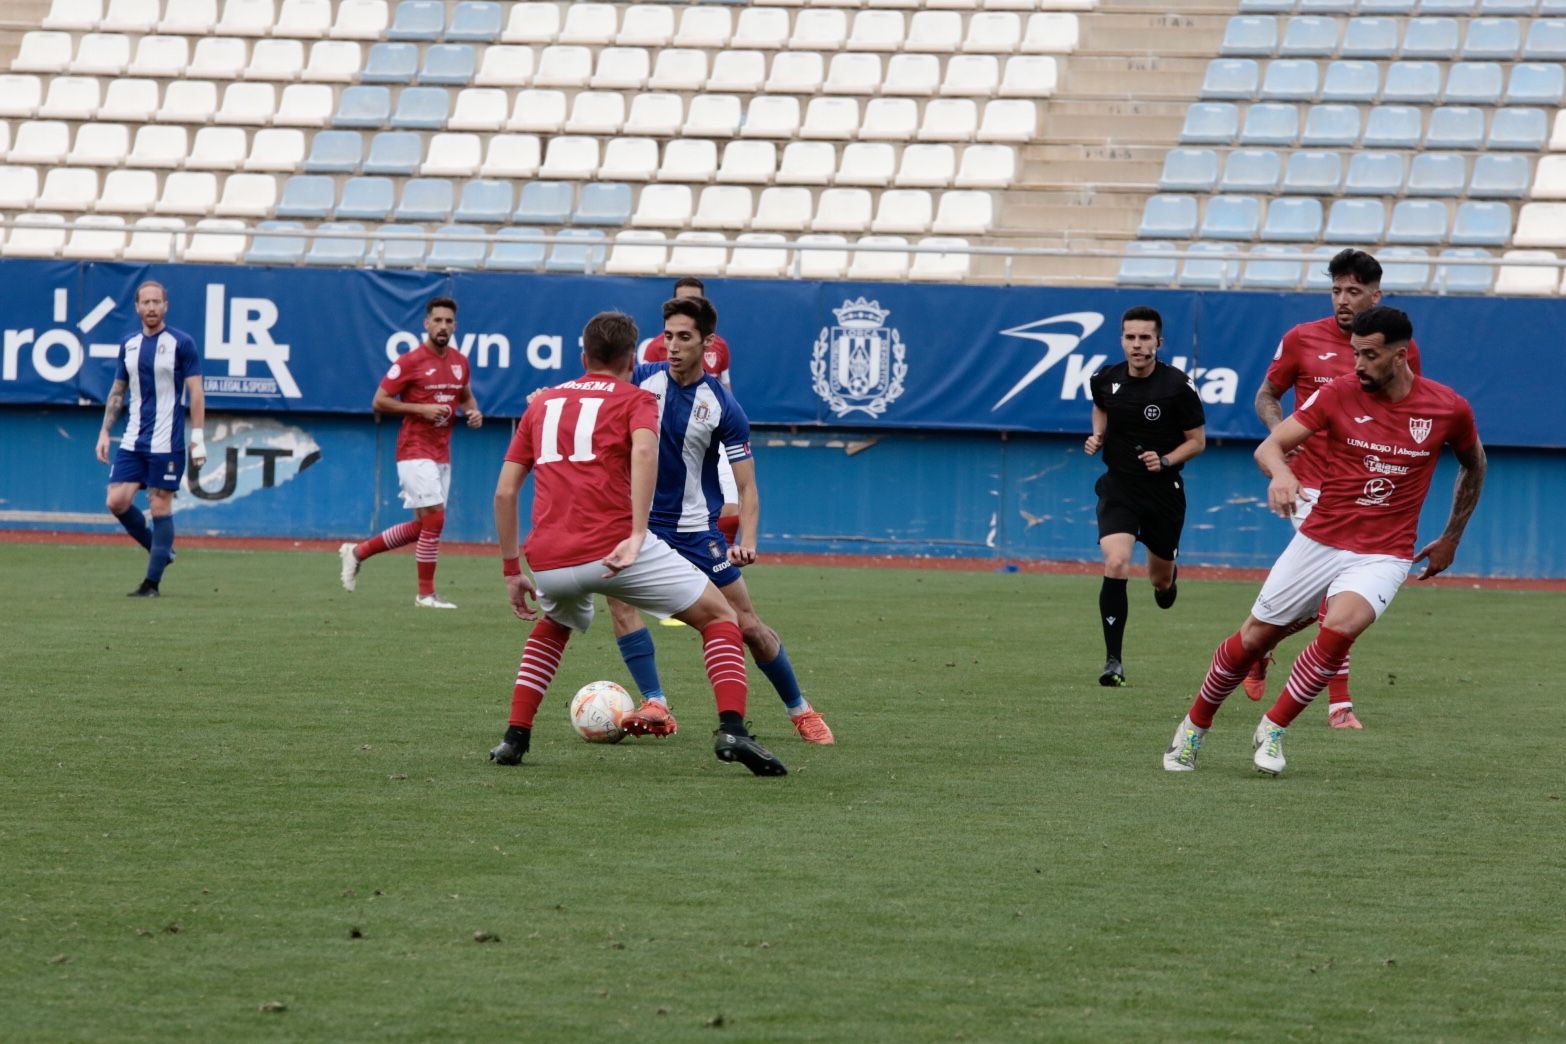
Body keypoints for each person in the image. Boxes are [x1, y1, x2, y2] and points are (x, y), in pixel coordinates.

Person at [1164, 306, 1484, 776]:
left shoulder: (1448, 408)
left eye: (1369, 355)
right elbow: (1270, 446)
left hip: (1385, 552)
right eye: (1355, 353)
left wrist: (1451, 537)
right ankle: (1193, 728)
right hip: (1321, 538)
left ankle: (1273, 728)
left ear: (1400, 355)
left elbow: (1474, 463)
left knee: (1340, 629)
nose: (1357, 364)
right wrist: (1281, 474)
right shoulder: (1338, 394)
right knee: (1255, 638)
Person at [488, 310, 787, 777]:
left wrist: (511, 571)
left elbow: (505, 492)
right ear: (633, 359)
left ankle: (514, 737)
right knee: (721, 618)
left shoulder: (542, 403)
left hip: (546, 557)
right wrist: (635, 535)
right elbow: (645, 453)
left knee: (554, 626)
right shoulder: (635, 397)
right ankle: (732, 729)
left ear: (583, 354)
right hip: (613, 549)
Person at [606, 296, 834, 745]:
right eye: (667, 336)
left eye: (684, 338)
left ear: (707, 343)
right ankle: (655, 702)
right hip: (643, 528)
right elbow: (593, 390)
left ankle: (801, 710)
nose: (671, 346)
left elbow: (747, 487)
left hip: (694, 532)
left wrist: (747, 538)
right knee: (619, 601)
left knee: (747, 623)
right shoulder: (640, 379)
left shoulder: (723, 406)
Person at [1246, 248, 1424, 728]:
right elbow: (1267, 394)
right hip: (1310, 488)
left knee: (1340, 602)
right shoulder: (1302, 339)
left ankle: (1262, 644)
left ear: (1375, 295)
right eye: (1336, 290)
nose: (1343, 300)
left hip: (1365, 494)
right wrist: (1282, 443)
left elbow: (1409, 414)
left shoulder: (1396, 348)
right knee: (1331, 600)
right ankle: (1339, 705)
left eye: (1353, 291)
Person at [1084, 306, 1206, 687]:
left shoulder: (1176, 387)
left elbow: (1197, 442)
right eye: (1130, 337)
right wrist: (1098, 435)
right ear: (1122, 339)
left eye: (1144, 338)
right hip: (1119, 487)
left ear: (1158, 342)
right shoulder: (1104, 378)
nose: (1137, 345)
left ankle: (1169, 579)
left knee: (1159, 581)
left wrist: (1166, 459)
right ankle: (1113, 661)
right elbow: (1101, 406)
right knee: (1116, 562)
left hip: (1162, 494)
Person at [339, 296, 481, 608]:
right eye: (438, 320)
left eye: (448, 321)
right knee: (436, 520)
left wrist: (473, 412)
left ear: (455, 326)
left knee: (427, 526)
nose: (443, 326)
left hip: (442, 452)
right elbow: (379, 400)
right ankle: (425, 595)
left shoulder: (459, 362)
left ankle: (358, 552)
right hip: (413, 449)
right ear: (426, 324)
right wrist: (421, 408)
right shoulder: (410, 362)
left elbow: (466, 397)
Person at [96, 280, 205, 598]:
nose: (152, 307)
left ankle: (151, 583)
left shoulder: (181, 343)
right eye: (146, 302)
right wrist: (105, 431)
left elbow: (196, 391)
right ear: (137, 307)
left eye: (157, 302)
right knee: (116, 501)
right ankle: (162, 551)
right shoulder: (128, 344)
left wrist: (197, 437)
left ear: (166, 306)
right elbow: (118, 391)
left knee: (159, 504)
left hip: (167, 442)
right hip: (132, 440)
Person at [640, 276, 739, 547]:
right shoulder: (656, 348)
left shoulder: (719, 346)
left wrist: (728, 418)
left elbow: (725, 386)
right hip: (668, 436)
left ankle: (720, 557)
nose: (675, 344)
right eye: (684, 299)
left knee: (731, 509)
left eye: (695, 299)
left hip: (708, 429)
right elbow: (639, 393)